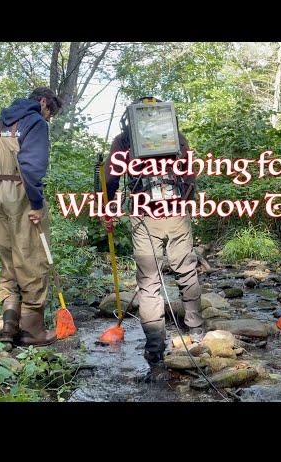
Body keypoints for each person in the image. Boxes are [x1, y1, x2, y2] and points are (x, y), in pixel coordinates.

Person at [102, 97, 204, 381]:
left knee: (149, 282)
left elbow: (111, 178)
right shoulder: (176, 135)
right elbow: (190, 173)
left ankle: (155, 346)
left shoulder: (123, 140)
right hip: (176, 211)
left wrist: (108, 208)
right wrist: (186, 203)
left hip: (143, 216)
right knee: (186, 269)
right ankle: (195, 330)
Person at [0, 87, 62, 347]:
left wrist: (2, 182)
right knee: (32, 257)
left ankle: (8, 326)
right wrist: (36, 203)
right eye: (50, 112)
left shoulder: (1, 121)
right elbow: (32, 166)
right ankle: (32, 332)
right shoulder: (35, 121)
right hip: (22, 192)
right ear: (43, 102)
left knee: (8, 257)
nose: (48, 118)